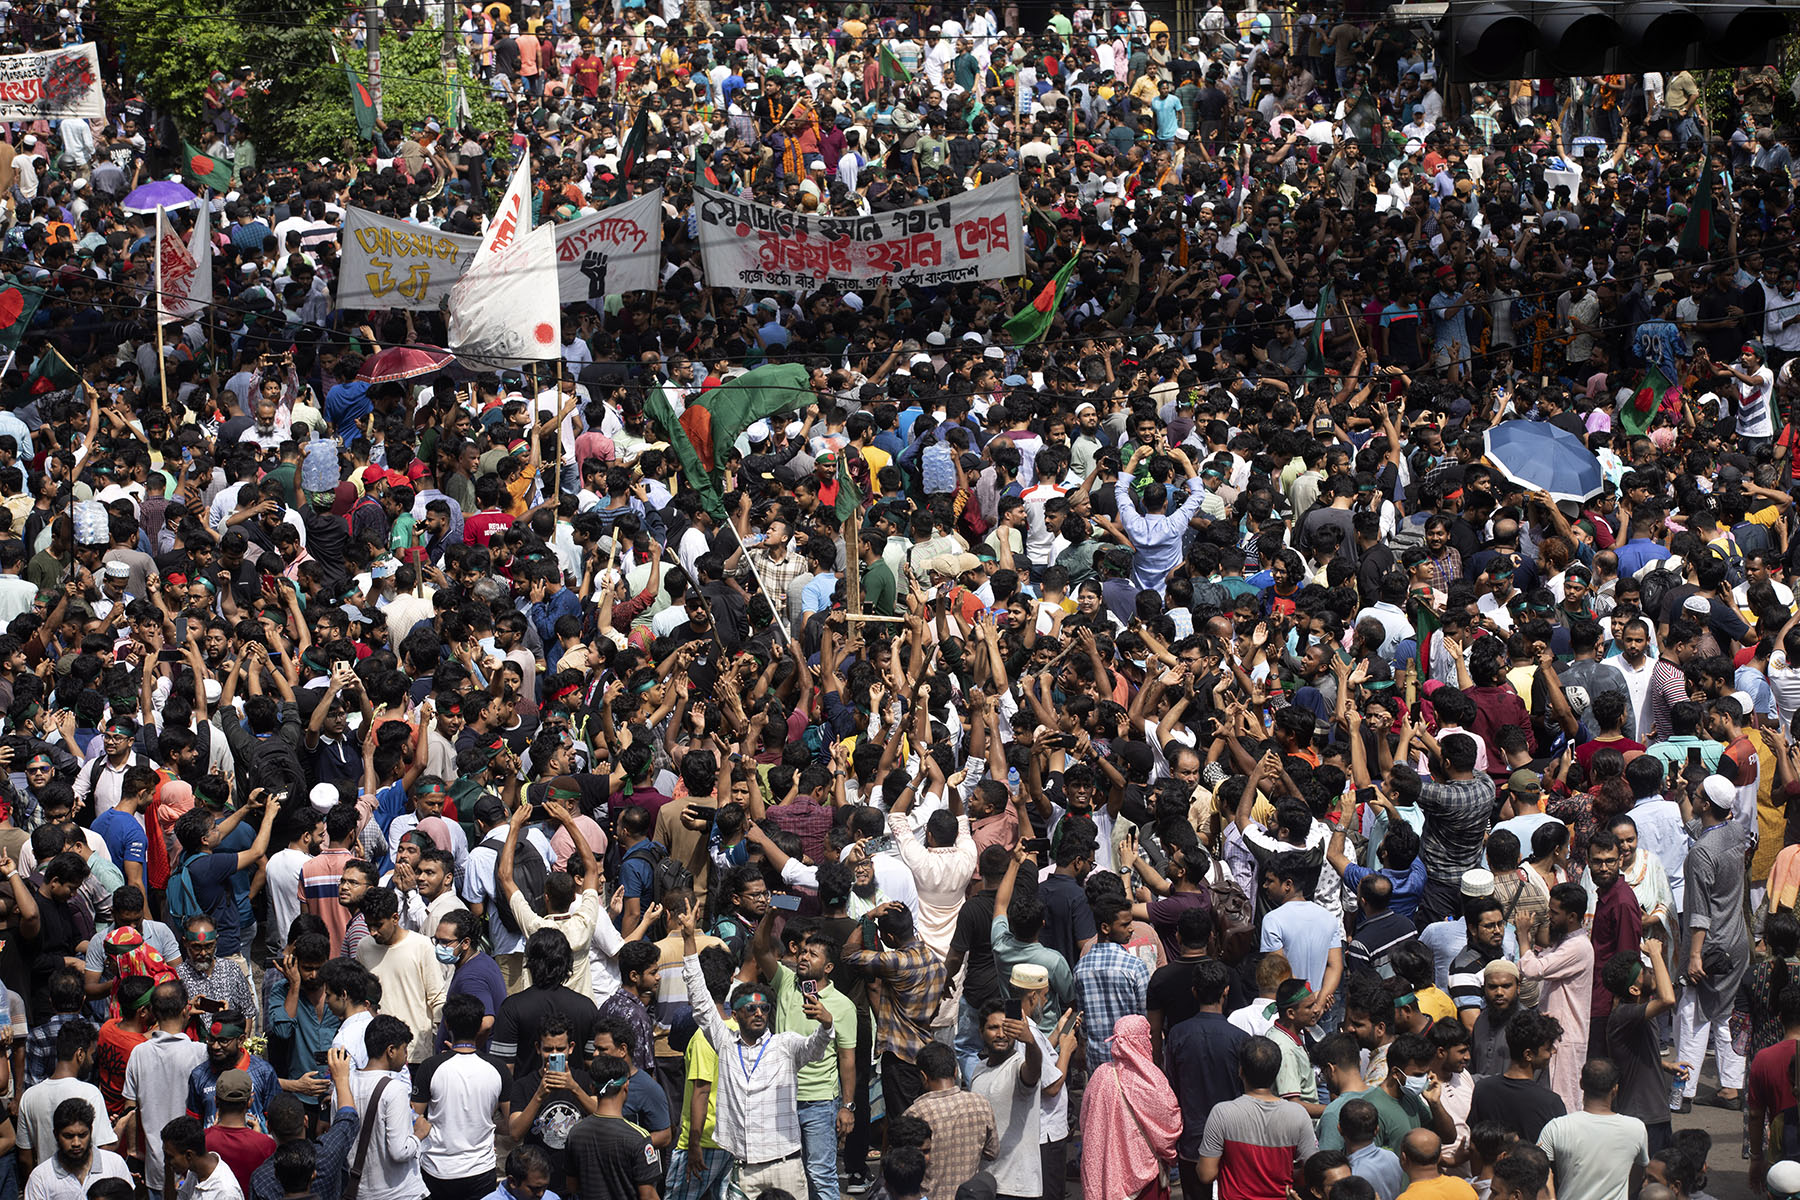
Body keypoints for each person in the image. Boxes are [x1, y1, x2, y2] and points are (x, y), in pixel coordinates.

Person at [675, 897, 834, 1200]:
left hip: (785, 1166)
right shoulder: (724, 1043)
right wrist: (688, 940)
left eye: (763, 1009)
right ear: (735, 1016)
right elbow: (699, 997)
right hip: (744, 1170)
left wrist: (826, 1026)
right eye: (750, 1008)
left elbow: (814, 1050)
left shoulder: (785, 1045)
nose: (758, 1013)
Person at [412, 994, 514, 1200]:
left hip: (436, 1169)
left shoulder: (430, 1067)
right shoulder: (498, 1069)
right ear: (479, 1026)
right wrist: (489, 1126)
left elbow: (414, 1117)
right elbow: (512, 1123)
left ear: (447, 1024)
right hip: (480, 1170)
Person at [1196, 1037, 1318, 1200]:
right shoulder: (1298, 1114)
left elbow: (1206, 1174)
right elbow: (1312, 1169)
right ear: (1277, 1072)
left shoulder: (1222, 1113)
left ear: (1241, 1071)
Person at [1078, 1015, 1179, 1200]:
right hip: (1147, 1179)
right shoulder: (1153, 1080)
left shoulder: (1099, 1075)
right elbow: (1170, 1126)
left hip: (1106, 1176)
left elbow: (1085, 1122)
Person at [1535, 1058, 1649, 1200]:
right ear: (1615, 1089)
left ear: (1581, 1084)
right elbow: (1638, 1175)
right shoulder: (1636, 1129)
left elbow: (1537, 1173)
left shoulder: (1557, 1127)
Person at [347, 1015, 431, 1200]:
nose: (406, 1055)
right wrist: (420, 1133)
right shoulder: (394, 1089)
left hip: (360, 1191)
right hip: (400, 1193)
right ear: (391, 1050)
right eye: (404, 1049)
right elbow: (400, 1151)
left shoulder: (345, 1086)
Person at [906, 1043, 997, 1200]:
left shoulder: (915, 1113)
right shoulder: (980, 1103)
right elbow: (992, 1152)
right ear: (955, 1072)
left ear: (923, 1077)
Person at [21, 1099, 130, 1200]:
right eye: (68, 1136)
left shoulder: (114, 1164)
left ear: (91, 1131)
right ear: (56, 1135)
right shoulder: (40, 1177)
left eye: (82, 1135)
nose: (76, 1143)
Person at [163, 1114, 246, 1200]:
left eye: (170, 1157)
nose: (166, 1161)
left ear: (189, 1155)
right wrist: (168, 1172)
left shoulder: (225, 1194)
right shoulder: (194, 1171)